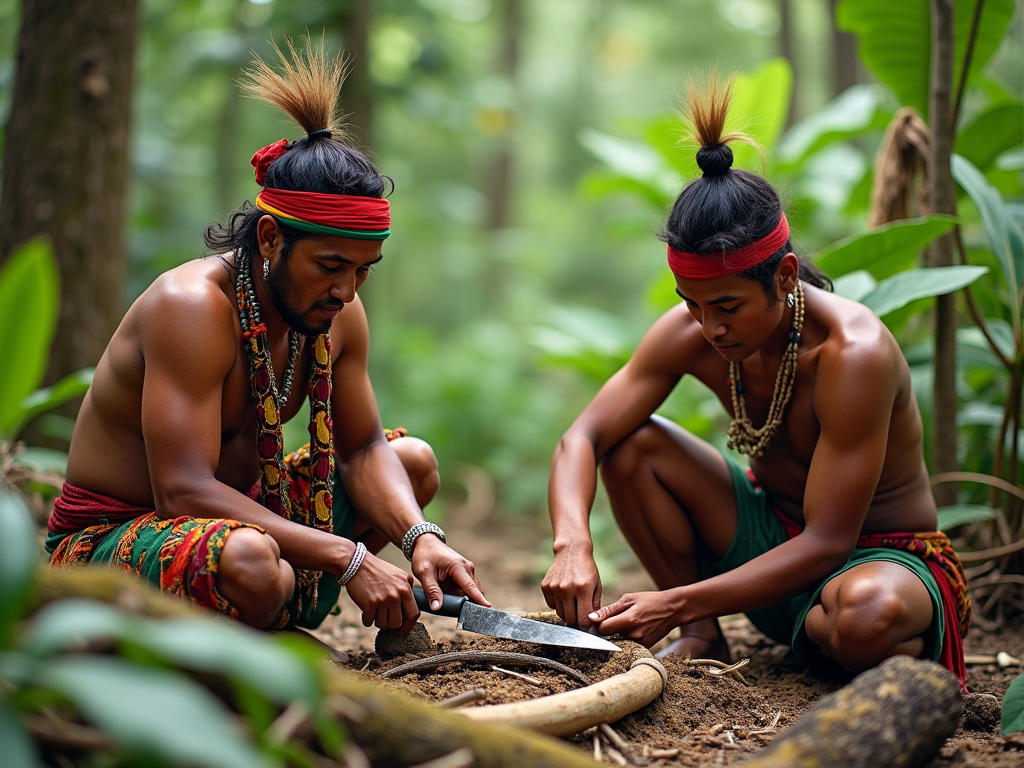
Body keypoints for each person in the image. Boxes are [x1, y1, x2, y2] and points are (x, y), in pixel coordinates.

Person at [46, 40, 488, 633]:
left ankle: (265, 629)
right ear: (271, 239)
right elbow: (181, 493)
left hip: (245, 529)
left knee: (412, 463)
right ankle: (248, 649)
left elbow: (360, 449)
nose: (347, 291)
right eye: (331, 266)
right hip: (110, 543)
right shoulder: (192, 308)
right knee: (256, 563)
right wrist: (347, 555)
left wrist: (420, 539)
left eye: (362, 270)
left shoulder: (335, 314)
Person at [540, 76, 971, 686]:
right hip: (767, 542)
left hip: (875, 559)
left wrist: (677, 599)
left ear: (786, 276)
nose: (709, 327)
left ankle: (827, 636)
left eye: (727, 306)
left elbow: (826, 540)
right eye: (691, 304)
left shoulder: (854, 353)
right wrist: (571, 544)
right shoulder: (690, 332)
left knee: (867, 615)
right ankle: (705, 636)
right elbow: (581, 438)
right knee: (631, 443)